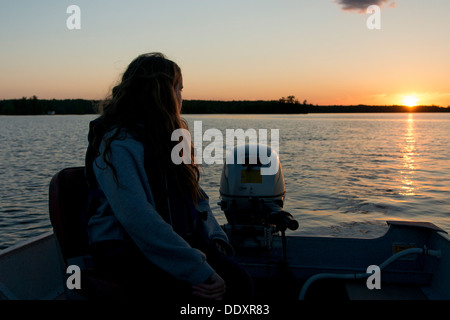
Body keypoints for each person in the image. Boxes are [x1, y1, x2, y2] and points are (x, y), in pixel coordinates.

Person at [84, 52, 253, 300]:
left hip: (174, 240)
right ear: (159, 94)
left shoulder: (172, 138)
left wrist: (215, 237)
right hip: (126, 250)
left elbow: (195, 196)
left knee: (239, 282)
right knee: (196, 292)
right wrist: (197, 270)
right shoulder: (116, 144)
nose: (181, 98)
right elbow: (137, 217)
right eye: (178, 89)